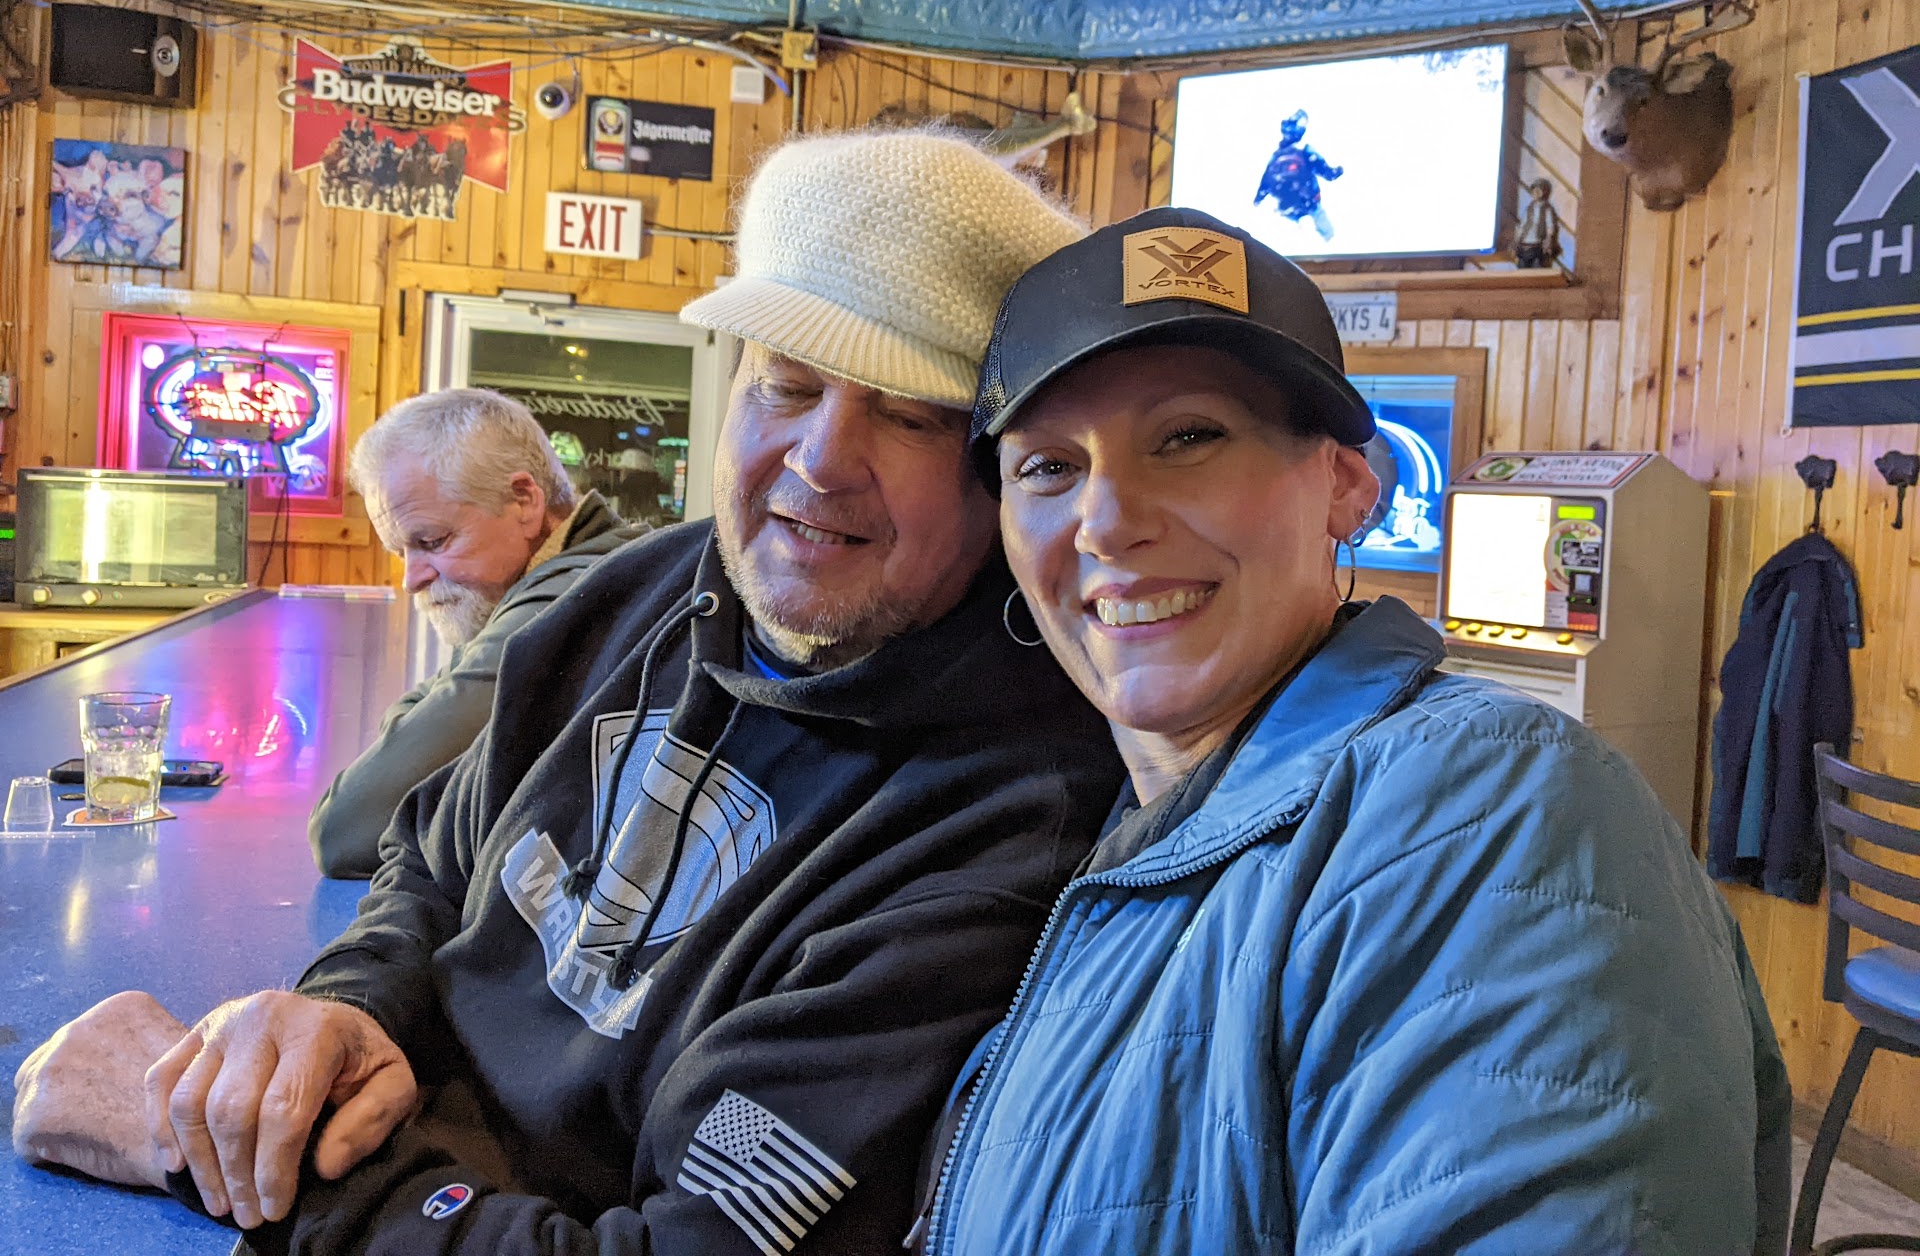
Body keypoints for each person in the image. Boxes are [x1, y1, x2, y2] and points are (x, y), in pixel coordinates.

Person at [10, 131, 1124, 1256]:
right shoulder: (647, 590)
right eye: (787, 384)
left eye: (911, 413)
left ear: (998, 463)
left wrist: (213, 1148)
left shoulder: (1012, 820)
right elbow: (427, 856)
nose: (820, 460)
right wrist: (341, 1016)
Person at [921, 208, 1793, 1254]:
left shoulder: (1493, 806)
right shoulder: (1107, 828)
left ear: (1345, 485)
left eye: (1189, 437)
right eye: (1047, 469)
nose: (1106, 521)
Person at [308, 388, 639, 878]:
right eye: (401, 552)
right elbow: (425, 708)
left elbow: (347, 827)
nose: (411, 578)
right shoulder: (549, 579)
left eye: (431, 541)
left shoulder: (568, 599)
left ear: (524, 500)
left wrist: (414, 729)